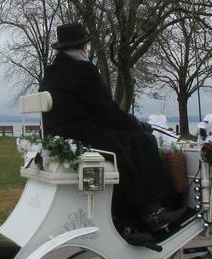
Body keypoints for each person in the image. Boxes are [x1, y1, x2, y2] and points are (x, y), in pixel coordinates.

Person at [39, 22, 186, 232]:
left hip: (64, 136)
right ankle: (152, 210)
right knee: (143, 141)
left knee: (127, 141)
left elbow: (92, 110)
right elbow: (107, 110)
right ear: (83, 47)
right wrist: (138, 125)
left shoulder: (52, 73)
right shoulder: (82, 69)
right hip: (83, 136)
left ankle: (133, 213)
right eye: (87, 46)